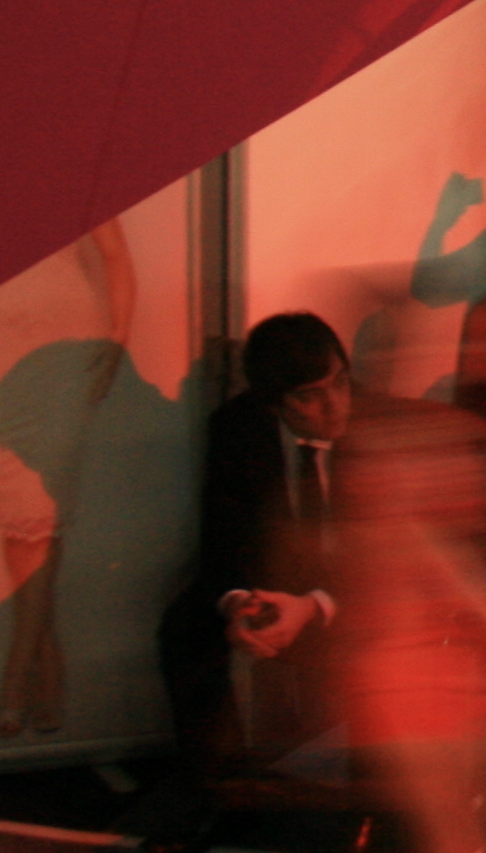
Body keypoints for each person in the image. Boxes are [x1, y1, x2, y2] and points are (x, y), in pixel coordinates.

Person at [157, 314, 358, 786]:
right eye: (309, 396)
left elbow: (390, 561)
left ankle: (357, 782)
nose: (335, 406)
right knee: (187, 626)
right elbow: (222, 537)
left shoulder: (380, 428)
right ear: (272, 404)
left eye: (342, 384)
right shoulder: (238, 427)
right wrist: (237, 603)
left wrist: (313, 606)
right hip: (277, 574)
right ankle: (217, 786)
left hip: (360, 582)